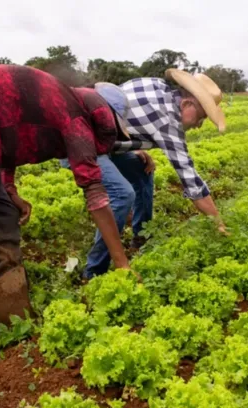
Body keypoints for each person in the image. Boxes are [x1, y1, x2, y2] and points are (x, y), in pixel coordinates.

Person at [0, 64, 133, 369]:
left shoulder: (63, 103)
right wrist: (121, 262)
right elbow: (95, 193)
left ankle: (16, 324)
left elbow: (9, 133)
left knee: (3, 219)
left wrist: (9, 189)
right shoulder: (74, 116)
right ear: (102, 116)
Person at [73, 69, 228, 279]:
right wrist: (218, 223)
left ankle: (141, 236)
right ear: (186, 104)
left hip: (106, 140)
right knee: (122, 194)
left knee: (142, 170)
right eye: (200, 117)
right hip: (80, 141)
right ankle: (94, 271)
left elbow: (122, 111)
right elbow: (191, 182)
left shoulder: (156, 85)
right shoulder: (168, 123)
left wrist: (133, 147)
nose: (199, 125)